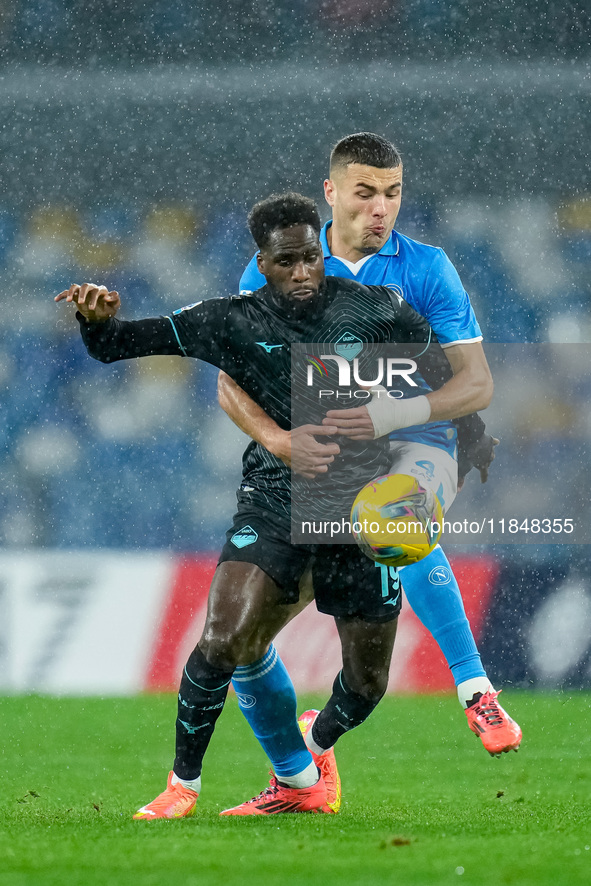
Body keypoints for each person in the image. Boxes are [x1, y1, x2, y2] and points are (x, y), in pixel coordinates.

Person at [56, 193, 495, 819]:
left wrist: (443, 442)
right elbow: (117, 345)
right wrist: (97, 321)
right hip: (272, 496)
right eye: (287, 261)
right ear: (261, 263)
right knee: (224, 635)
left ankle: (308, 763)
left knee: (368, 684)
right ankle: (184, 785)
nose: (303, 272)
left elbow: (438, 375)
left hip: (359, 510)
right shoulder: (229, 320)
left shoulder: (376, 309)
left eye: (312, 258)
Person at [217, 132, 521, 757]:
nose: (380, 208)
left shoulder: (427, 267)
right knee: (240, 646)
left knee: (395, 515)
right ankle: (301, 769)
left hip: (422, 438)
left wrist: (394, 412)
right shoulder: (280, 264)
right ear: (331, 195)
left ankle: (475, 689)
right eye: (365, 194)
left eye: (392, 194)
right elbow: (232, 380)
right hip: (326, 459)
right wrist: (277, 439)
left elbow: (478, 384)